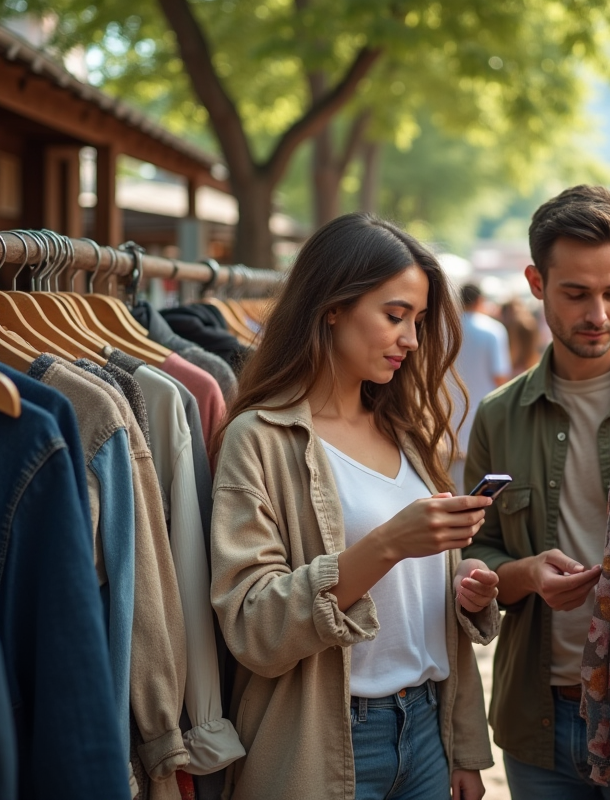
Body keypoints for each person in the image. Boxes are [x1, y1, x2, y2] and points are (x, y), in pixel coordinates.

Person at [210, 213, 502, 800]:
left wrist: (463, 580)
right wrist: (389, 544)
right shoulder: (260, 439)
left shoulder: (408, 430)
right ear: (332, 306)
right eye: (395, 316)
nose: (412, 340)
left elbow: (417, 601)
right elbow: (254, 625)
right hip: (322, 736)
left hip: (427, 727)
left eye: (418, 321)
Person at [463, 186, 610, 799]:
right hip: (538, 720)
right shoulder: (498, 417)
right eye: (575, 293)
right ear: (536, 283)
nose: (599, 313)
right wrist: (526, 574)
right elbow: (475, 552)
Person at [450, 283, 511, 493]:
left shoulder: (445, 328)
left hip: (447, 418)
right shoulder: (492, 330)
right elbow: (500, 377)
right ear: (479, 301)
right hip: (483, 418)